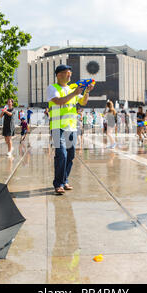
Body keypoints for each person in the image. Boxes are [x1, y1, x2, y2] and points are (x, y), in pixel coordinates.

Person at [47, 64, 94, 195]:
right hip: (57, 127)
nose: (70, 75)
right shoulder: (52, 88)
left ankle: (64, 180)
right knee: (61, 155)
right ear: (59, 74)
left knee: (70, 155)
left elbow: (83, 103)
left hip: (71, 127)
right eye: (67, 73)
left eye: (70, 73)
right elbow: (58, 101)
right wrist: (74, 93)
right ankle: (58, 184)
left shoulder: (71, 88)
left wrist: (86, 92)